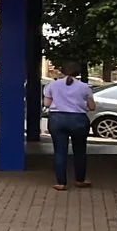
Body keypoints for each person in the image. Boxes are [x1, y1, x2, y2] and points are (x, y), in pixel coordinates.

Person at [43, 62, 97, 190]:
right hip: (78, 120)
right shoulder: (85, 87)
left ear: (62, 71)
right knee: (79, 151)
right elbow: (92, 106)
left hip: (57, 119)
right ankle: (80, 180)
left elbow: (46, 103)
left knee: (60, 152)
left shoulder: (52, 85)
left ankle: (61, 183)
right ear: (77, 72)